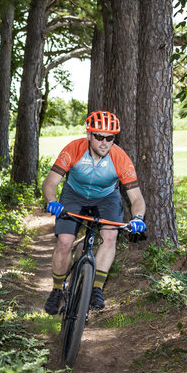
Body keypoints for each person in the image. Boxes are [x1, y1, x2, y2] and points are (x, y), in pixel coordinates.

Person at [41, 111, 146, 316]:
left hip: (107, 198)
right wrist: (52, 201)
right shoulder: (74, 149)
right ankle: (56, 289)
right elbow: (50, 183)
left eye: (110, 137)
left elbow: (136, 198)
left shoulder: (120, 158)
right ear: (89, 135)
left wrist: (138, 217)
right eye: (99, 136)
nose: (104, 142)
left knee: (110, 236)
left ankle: (96, 287)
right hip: (74, 195)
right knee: (64, 241)